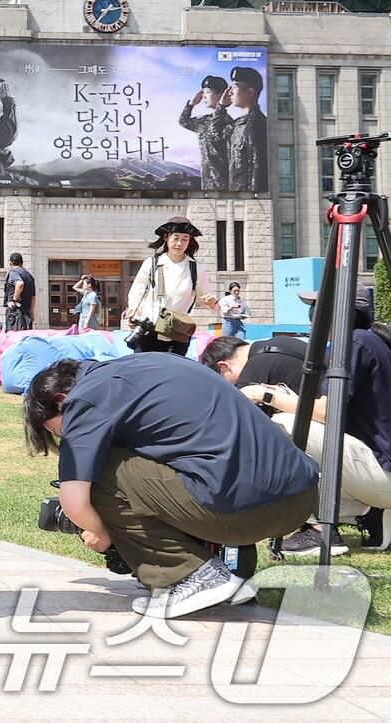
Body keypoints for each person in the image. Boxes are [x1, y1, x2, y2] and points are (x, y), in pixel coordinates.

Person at [23, 354, 318, 619]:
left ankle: (192, 575)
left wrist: (101, 535)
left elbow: (74, 501)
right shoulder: (146, 365)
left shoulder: (85, 400)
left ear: (61, 400)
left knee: (99, 473)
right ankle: (228, 574)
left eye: (56, 430)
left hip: (245, 510)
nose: (65, 437)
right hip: (300, 499)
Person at [204, 290, 391, 555]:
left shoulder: (354, 344)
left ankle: (319, 530)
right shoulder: (370, 341)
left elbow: (328, 412)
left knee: (284, 425)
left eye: (318, 307)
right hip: (380, 470)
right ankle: (371, 514)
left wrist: (266, 395)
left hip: (383, 475)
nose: (313, 317)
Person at [123, 216, 217, 354]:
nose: (179, 243)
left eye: (185, 239)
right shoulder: (152, 263)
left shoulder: (196, 269)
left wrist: (211, 302)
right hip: (149, 329)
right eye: (175, 238)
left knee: (173, 372)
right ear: (166, 238)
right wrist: (133, 312)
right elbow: (137, 291)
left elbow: (206, 298)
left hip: (177, 334)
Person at [178, 75, 232, 191]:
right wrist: (191, 105)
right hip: (207, 183)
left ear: (220, 94)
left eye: (207, 92)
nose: (204, 97)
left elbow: (215, 133)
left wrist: (221, 107)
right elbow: (183, 121)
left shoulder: (228, 123)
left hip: (225, 184)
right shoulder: (204, 121)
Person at [224, 66, 268, 193]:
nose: (230, 92)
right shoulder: (239, 124)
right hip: (235, 193)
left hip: (247, 197)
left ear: (250, 92)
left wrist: (254, 198)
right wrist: (221, 106)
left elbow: (258, 167)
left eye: (235, 87)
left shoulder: (257, 124)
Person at [4, 252, 35, 331]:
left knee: (13, 338)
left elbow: (20, 283)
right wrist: (31, 314)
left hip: (15, 312)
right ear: (22, 262)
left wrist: (14, 300)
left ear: (10, 262)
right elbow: (33, 297)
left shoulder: (13, 272)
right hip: (27, 314)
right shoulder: (29, 276)